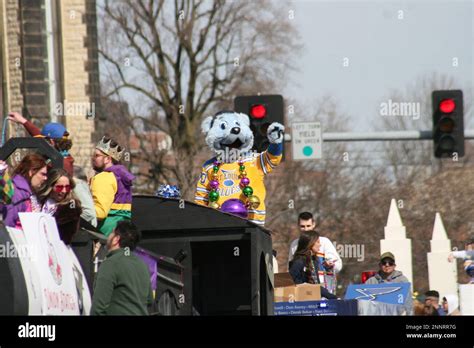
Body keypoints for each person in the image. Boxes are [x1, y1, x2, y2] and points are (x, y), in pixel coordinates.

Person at [90, 220, 153, 315]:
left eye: (112, 232)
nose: (109, 236)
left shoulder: (110, 264)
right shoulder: (143, 265)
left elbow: (98, 309)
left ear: (116, 239)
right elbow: (149, 301)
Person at [288, 212, 342, 293]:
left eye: (308, 226)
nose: (306, 229)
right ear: (298, 226)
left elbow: (338, 265)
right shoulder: (294, 245)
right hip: (305, 291)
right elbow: (291, 270)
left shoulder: (324, 242)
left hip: (325, 289)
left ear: (313, 225)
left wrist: (330, 265)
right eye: (302, 226)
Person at [90, 136, 134, 236]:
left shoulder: (103, 177)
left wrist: (80, 209)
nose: (93, 158)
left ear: (107, 159)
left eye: (96, 156)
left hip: (105, 234)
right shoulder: (121, 177)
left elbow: (100, 212)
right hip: (122, 232)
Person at [7, 112, 74, 176]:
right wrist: (23, 121)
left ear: (51, 142)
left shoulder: (59, 165)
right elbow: (39, 136)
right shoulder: (63, 156)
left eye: (43, 141)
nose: (41, 144)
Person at [0, 154, 49, 228]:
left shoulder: (28, 193)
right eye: (43, 174)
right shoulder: (17, 194)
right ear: (31, 171)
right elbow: (8, 224)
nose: (45, 178)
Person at [289, 230, 338, 300]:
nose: (320, 245)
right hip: (302, 303)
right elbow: (294, 284)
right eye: (317, 242)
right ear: (310, 243)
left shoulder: (314, 260)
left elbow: (316, 285)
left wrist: (329, 295)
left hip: (314, 300)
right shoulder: (298, 262)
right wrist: (331, 296)